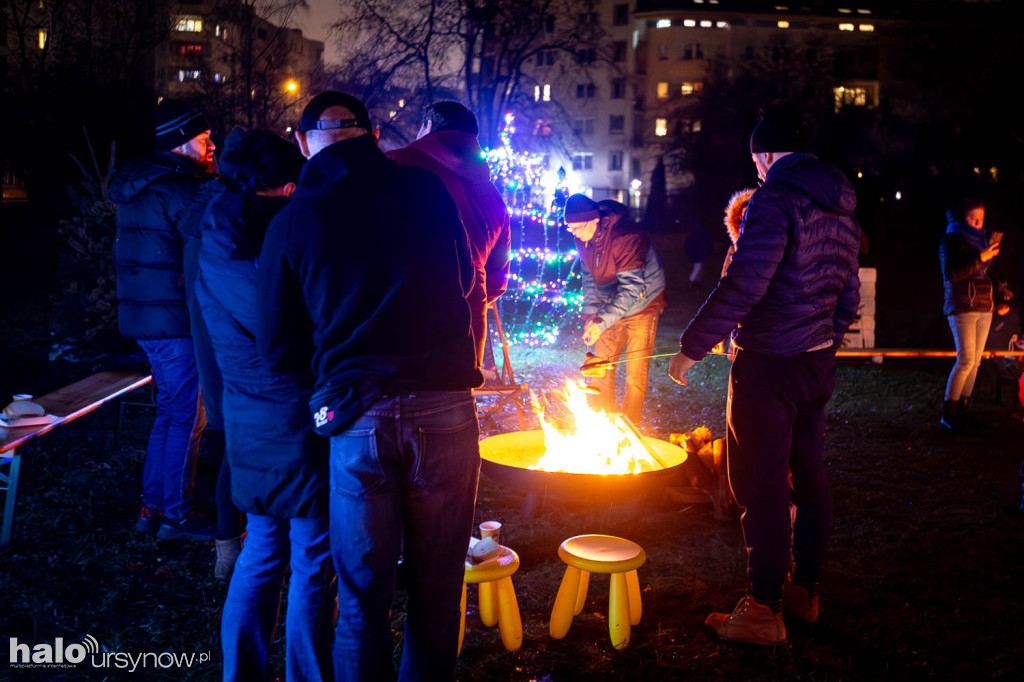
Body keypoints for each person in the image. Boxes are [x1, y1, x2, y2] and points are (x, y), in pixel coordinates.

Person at [257, 91, 483, 681]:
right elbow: (466, 282)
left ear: (305, 143)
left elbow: (276, 345)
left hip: (356, 416)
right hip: (444, 405)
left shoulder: (293, 219)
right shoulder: (428, 191)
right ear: (370, 135)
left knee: (361, 599)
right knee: (438, 589)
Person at [668, 106, 861, 645]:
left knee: (761, 481)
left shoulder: (775, 198)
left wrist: (692, 347)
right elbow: (849, 291)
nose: (757, 172)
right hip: (814, 362)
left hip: (769, 365)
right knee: (808, 474)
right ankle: (805, 591)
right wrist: (826, 338)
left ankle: (764, 609)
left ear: (769, 155)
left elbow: (746, 282)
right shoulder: (841, 204)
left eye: (757, 161)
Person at [195, 128, 334, 681]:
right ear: (278, 188)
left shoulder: (219, 234)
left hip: (252, 420)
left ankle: (243, 673)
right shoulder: (252, 248)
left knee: (261, 553)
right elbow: (287, 334)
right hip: (291, 423)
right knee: (311, 562)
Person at [112, 98, 217, 541]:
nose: (213, 144)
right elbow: (204, 250)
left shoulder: (145, 185)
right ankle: (175, 515)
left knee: (171, 413)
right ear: (179, 142)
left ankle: (152, 508)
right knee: (187, 416)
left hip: (148, 319)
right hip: (174, 320)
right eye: (204, 137)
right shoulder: (180, 190)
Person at [386, 101, 511, 374]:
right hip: (467, 324)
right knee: (455, 403)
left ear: (428, 126)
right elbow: (498, 278)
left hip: (401, 318)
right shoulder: (491, 194)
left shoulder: (395, 165)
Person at [564, 194, 666, 425]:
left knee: (635, 375)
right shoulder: (583, 239)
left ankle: (629, 429)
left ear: (594, 221)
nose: (575, 234)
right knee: (599, 367)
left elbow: (631, 289)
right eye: (571, 229)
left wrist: (602, 322)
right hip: (612, 304)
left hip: (643, 305)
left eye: (578, 228)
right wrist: (591, 315)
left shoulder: (626, 237)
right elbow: (589, 277)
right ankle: (600, 425)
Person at [938, 198, 1010, 431]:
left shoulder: (982, 242)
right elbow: (952, 273)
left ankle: (962, 410)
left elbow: (987, 275)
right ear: (961, 218)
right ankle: (948, 412)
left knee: (976, 361)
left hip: (984, 306)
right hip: (962, 306)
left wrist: (999, 300)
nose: (978, 222)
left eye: (981, 218)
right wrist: (980, 258)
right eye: (973, 218)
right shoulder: (951, 241)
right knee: (966, 359)